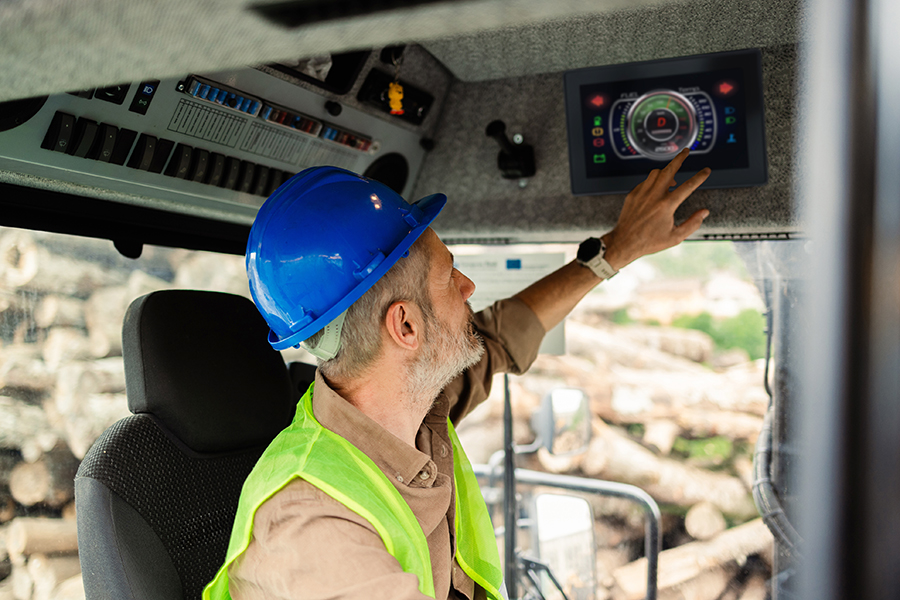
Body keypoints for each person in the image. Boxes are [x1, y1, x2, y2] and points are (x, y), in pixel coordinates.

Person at [203, 149, 711, 600]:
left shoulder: (416, 409)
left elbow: (500, 337)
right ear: (405, 325)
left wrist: (617, 248)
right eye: (450, 275)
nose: (468, 287)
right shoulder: (312, 532)